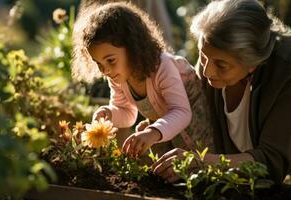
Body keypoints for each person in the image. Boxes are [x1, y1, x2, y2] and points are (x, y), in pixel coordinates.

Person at [152, 0, 291, 184]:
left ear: (251, 64)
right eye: (202, 56)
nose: (207, 72)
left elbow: (270, 163)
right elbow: (194, 119)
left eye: (221, 65)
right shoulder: (212, 64)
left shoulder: (284, 76)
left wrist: (199, 161)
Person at [72, 2, 193, 158]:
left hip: (198, 130)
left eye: (110, 60)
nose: (105, 70)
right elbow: (127, 113)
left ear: (132, 47)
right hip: (166, 132)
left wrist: (153, 132)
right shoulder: (118, 76)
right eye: (98, 63)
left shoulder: (163, 66)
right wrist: (109, 113)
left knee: (202, 172)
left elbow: (182, 112)